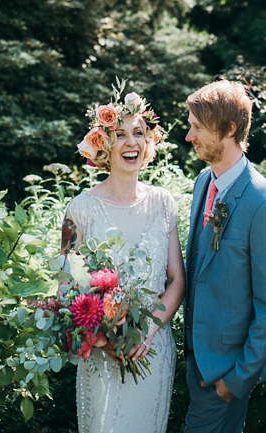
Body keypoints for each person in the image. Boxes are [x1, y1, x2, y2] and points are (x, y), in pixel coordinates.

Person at [63, 90, 186, 433]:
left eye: (139, 133)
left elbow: (177, 280)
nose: (131, 142)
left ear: (148, 142)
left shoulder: (163, 203)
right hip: (102, 355)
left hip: (153, 351)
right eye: (120, 134)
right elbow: (65, 288)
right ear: (104, 144)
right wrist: (106, 339)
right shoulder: (79, 210)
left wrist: (146, 330)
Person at [182, 79, 266, 433]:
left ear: (228, 129)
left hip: (226, 372)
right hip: (197, 361)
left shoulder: (264, 205)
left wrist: (237, 380)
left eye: (197, 128)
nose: (188, 136)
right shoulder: (203, 182)